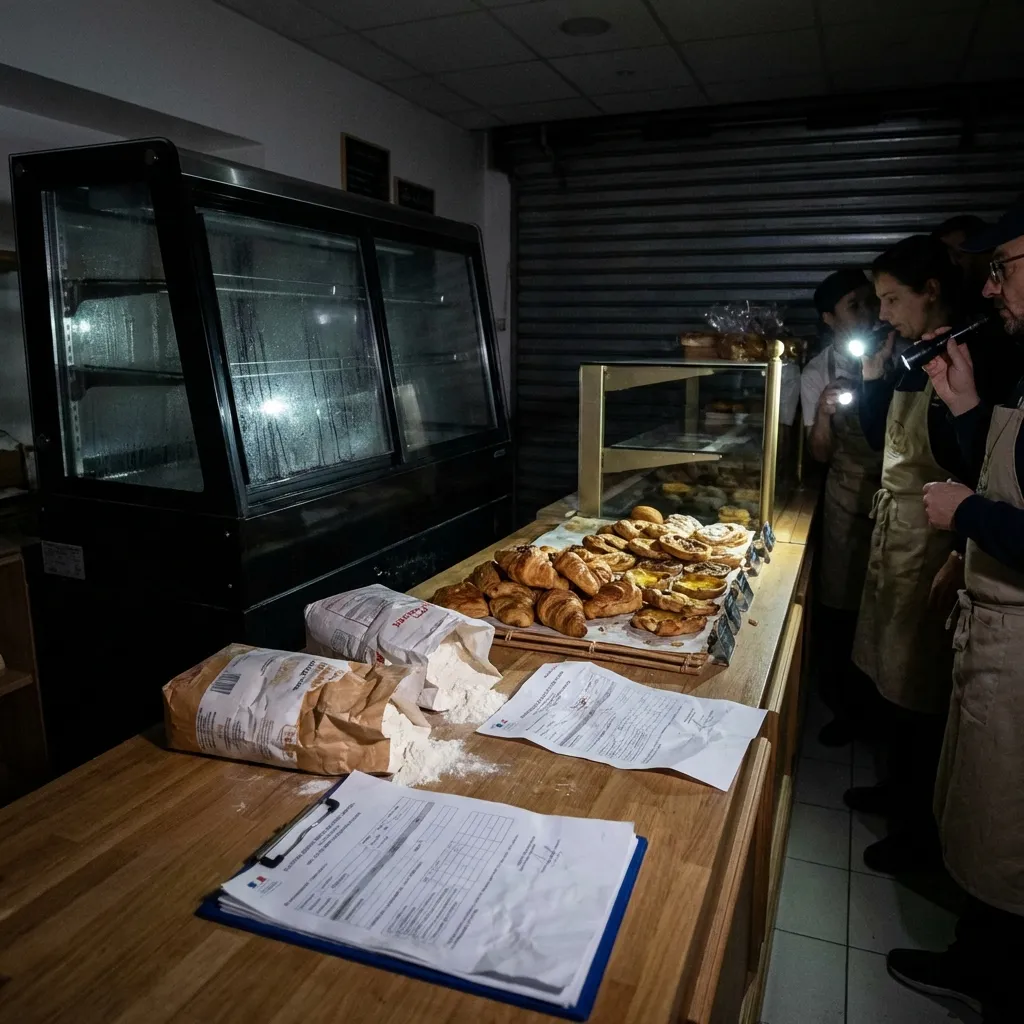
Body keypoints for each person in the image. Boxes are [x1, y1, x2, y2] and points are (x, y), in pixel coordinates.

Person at [887, 203, 1024, 1024]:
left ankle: (995, 985)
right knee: (986, 814)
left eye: (1005, 266)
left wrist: (966, 517)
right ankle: (980, 962)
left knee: (1008, 833)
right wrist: (967, 407)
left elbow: (995, 505)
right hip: (997, 621)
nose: (995, 284)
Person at [846, 234, 969, 874]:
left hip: (932, 538)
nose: (884, 313)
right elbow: (879, 440)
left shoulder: (971, 357)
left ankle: (918, 829)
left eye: (893, 299)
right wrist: (873, 379)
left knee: (920, 682)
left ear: (932, 290)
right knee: (889, 671)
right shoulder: (909, 356)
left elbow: (975, 466)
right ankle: (896, 794)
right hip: (895, 525)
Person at [800, 269, 882, 745]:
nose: (869, 313)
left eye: (873, 302)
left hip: (902, 499)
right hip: (846, 498)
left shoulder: (899, 356)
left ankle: (881, 713)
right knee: (841, 606)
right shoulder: (818, 372)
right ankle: (844, 707)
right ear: (830, 319)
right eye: (855, 306)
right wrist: (826, 415)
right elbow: (819, 455)